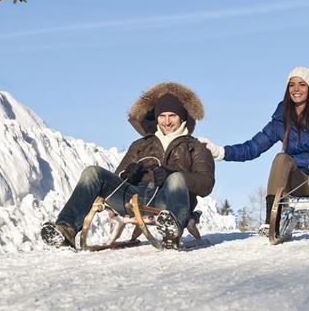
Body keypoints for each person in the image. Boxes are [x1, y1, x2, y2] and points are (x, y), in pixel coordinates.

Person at [41, 82, 215, 249]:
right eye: (162, 116)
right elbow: (118, 176)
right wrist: (127, 174)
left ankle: (171, 229)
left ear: (182, 117)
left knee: (177, 178)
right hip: (134, 199)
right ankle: (66, 230)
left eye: (172, 116)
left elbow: (206, 184)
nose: (167, 121)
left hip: (167, 201)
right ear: (156, 118)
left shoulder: (196, 147)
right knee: (92, 172)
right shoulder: (140, 145)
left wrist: (173, 174)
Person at [199, 66, 309, 236]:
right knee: (281, 159)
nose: (296, 89)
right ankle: (272, 222)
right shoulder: (282, 119)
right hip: (298, 181)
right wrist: (220, 151)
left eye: (302, 84)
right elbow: (253, 147)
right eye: (291, 85)